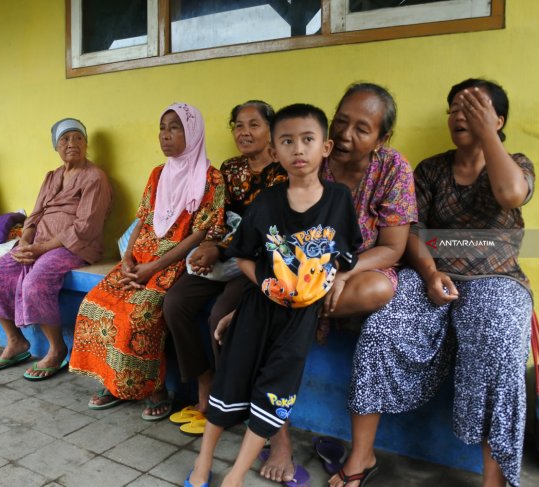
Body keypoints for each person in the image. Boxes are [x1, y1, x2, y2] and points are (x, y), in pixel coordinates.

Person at [338, 79, 534, 487]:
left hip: (496, 279)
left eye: (474, 108)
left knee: (499, 340)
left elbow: (512, 194)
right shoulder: (429, 169)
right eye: (455, 108)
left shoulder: (516, 163)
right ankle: (362, 456)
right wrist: (429, 274)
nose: (460, 116)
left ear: (498, 119)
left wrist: (488, 138)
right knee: (382, 326)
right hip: (431, 273)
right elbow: (413, 231)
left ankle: (494, 480)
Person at [186, 104, 362, 487]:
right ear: (277, 151)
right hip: (258, 308)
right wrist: (266, 283)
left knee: (275, 392)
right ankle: (203, 463)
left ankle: (235, 475)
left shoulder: (339, 201)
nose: (298, 149)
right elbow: (244, 256)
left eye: (307, 140)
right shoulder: (265, 203)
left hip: (300, 320)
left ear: (326, 147)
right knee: (230, 380)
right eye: (287, 141)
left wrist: (336, 283)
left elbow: (346, 257)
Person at [259, 83, 418, 483]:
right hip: (299, 272)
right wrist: (308, 277)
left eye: (362, 129)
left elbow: (393, 248)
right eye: (341, 122)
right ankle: (277, 440)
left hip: (360, 269)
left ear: (383, 138)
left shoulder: (393, 168)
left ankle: (289, 312)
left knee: (381, 289)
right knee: (274, 321)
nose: (345, 134)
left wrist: (342, 272)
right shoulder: (314, 157)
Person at [70, 102, 225, 421]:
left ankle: (154, 389)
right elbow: (142, 218)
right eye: (162, 128)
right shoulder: (159, 173)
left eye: (175, 128)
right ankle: (112, 382)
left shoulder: (211, 178)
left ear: (192, 132)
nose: (165, 135)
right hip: (139, 256)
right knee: (94, 303)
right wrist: (127, 257)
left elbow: (201, 233)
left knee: (139, 314)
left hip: (174, 261)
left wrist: (154, 267)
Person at [163, 100, 287, 430]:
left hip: (259, 263)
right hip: (224, 255)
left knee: (221, 316)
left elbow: (271, 229)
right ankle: (205, 379)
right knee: (175, 303)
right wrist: (207, 245)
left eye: (254, 125)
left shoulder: (284, 171)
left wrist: (220, 248)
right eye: (238, 125)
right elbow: (218, 215)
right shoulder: (229, 169)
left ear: (271, 130)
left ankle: (228, 399)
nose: (244, 132)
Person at [0, 118, 112, 379]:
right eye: (65, 139)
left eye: (78, 138)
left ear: (86, 144)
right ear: (56, 146)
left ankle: (57, 349)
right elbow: (35, 214)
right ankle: (16, 341)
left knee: (35, 282)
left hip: (76, 247)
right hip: (39, 244)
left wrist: (39, 250)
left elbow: (85, 228)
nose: (72, 143)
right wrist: (27, 242)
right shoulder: (52, 177)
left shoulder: (95, 177)